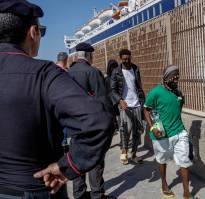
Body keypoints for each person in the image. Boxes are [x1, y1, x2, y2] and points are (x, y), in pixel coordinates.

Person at [0, 0, 114, 198]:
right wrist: (69, 166)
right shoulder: (44, 74)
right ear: (33, 32)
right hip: (35, 187)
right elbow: (99, 122)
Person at [68, 43, 116, 199]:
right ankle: (97, 194)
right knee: (95, 161)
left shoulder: (68, 73)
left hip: (74, 126)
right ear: (88, 55)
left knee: (76, 159)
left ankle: (79, 194)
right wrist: (110, 122)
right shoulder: (93, 72)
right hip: (92, 125)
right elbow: (102, 101)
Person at [143, 65, 194, 199]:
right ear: (166, 77)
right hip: (161, 135)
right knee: (162, 160)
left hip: (179, 131)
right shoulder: (155, 92)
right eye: (174, 77)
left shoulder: (178, 93)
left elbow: (178, 110)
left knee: (184, 160)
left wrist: (180, 98)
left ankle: (186, 193)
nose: (176, 79)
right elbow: (146, 109)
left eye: (178, 76)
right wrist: (152, 127)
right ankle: (164, 184)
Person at [111, 49, 145, 165]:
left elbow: (139, 86)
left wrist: (142, 101)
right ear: (120, 58)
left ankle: (134, 154)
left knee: (137, 131)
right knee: (125, 129)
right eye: (124, 59)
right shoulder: (116, 72)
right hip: (125, 105)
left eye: (128, 58)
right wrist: (120, 100)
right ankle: (124, 151)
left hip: (136, 104)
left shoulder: (135, 69)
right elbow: (112, 90)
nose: (127, 61)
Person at [105, 59, 120, 127]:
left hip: (118, 99)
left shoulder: (119, 77)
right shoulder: (106, 79)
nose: (113, 69)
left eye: (115, 67)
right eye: (112, 67)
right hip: (111, 100)